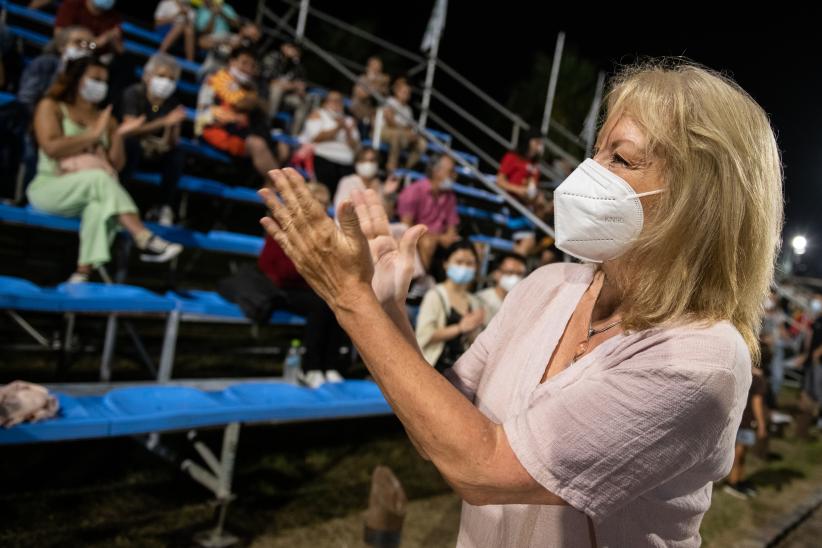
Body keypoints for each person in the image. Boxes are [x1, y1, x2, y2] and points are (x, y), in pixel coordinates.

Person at [258, 59, 783, 546]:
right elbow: (443, 428)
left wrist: (350, 301)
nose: (587, 173)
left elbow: (482, 466)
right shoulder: (549, 285)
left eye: (620, 158)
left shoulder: (701, 358)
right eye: (595, 151)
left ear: (700, 201)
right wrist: (388, 308)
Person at [28, 56, 183, 283]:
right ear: (76, 80)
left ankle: (83, 272)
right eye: (94, 79)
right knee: (100, 180)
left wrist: (118, 135)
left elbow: (116, 166)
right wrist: (91, 135)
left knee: (100, 207)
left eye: (104, 81)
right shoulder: (51, 106)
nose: (99, 85)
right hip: (50, 187)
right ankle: (143, 237)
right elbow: (51, 148)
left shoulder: (106, 119)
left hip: (88, 191)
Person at [257, 182, 350, 385]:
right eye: (318, 203)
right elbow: (271, 266)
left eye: (325, 204)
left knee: (337, 302)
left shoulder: (326, 230)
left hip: (312, 287)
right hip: (283, 288)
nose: (323, 208)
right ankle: (311, 366)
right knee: (320, 305)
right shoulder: (284, 224)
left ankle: (330, 365)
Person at [121, 53, 187, 226]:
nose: (166, 82)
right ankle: (121, 197)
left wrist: (175, 125)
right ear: (147, 75)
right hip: (130, 151)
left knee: (178, 155)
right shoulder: (133, 94)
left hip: (155, 152)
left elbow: (172, 143)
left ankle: (163, 206)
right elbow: (130, 130)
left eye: (171, 79)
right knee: (131, 145)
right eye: (162, 76)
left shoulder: (172, 103)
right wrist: (164, 121)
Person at [196, 46, 278, 181]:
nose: (248, 68)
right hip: (215, 131)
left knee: (279, 147)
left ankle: (273, 186)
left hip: (240, 133)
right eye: (244, 63)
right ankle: (279, 186)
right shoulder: (214, 80)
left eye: (252, 65)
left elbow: (264, 109)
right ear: (232, 62)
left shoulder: (250, 87)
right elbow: (204, 113)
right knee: (257, 144)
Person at [415, 241, 485, 371]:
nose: (464, 267)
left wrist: (474, 331)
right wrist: (459, 328)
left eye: (469, 263)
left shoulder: (475, 301)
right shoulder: (435, 295)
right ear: (446, 264)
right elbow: (424, 336)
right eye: (459, 262)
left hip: (460, 370)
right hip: (433, 367)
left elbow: (472, 343)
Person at [396, 154, 460, 270]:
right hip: (419, 237)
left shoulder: (450, 196)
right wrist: (438, 238)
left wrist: (448, 237)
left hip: (439, 238)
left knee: (474, 248)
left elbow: (452, 228)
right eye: (451, 172)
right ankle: (421, 282)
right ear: (436, 172)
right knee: (428, 242)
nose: (454, 176)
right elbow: (406, 226)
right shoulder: (413, 191)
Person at [17, 26, 95, 116]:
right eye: (78, 42)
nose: (84, 48)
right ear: (62, 46)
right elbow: (26, 100)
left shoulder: (90, 74)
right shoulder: (45, 64)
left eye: (90, 45)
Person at [299, 91, 359, 196]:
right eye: (333, 100)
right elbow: (315, 137)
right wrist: (338, 127)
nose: (336, 103)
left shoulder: (349, 120)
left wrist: (347, 130)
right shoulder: (317, 114)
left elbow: (355, 145)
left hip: (346, 162)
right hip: (323, 158)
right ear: (325, 102)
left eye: (339, 101)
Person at [724, 366, 769, 499]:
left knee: (741, 452)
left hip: (739, 418)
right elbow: (757, 403)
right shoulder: (758, 379)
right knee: (740, 453)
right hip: (747, 421)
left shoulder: (742, 372)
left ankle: (739, 479)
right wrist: (762, 424)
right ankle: (733, 482)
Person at [381, 77, 426, 172]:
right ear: (397, 91)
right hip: (386, 130)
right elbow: (389, 121)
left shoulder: (408, 110)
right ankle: (391, 167)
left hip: (402, 134)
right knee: (397, 135)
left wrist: (412, 134)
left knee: (422, 143)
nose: (406, 95)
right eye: (404, 92)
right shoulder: (390, 101)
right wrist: (405, 130)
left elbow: (410, 127)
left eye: (408, 93)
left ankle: (406, 168)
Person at [262, 41, 309, 133]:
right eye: (293, 48)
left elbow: (301, 83)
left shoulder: (296, 65)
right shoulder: (274, 57)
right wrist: (291, 85)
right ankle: (266, 124)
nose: (295, 51)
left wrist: (300, 89)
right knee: (277, 90)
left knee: (304, 101)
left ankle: (294, 134)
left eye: (297, 50)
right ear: (284, 47)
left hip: (286, 95)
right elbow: (267, 78)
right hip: (267, 89)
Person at [55, 0, 123, 57]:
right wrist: (96, 42)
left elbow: (120, 50)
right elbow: (59, 35)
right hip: (67, 53)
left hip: (94, 59)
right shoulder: (72, 4)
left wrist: (113, 39)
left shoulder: (114, 18)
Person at [475, 252, 528, 324]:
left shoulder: (525, 304)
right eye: (510, 272)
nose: (515, 278)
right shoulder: (480, 300)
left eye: (520, 274)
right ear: (496, 273)